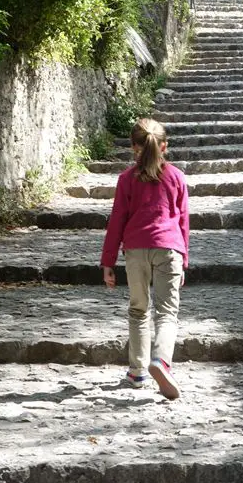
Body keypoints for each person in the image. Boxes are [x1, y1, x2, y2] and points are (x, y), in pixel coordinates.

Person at [101, 117, 189, 400]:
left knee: (139, 310)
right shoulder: (176, 176)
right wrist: (183, 259)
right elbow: (183, 220)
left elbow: (117, 221)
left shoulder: (126, 179)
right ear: (164, 146)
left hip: (136, 250)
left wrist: (108, 262)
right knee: (166, 313)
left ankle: (137, 371)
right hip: (168, 248)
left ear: (133, 147)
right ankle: (161, 361)